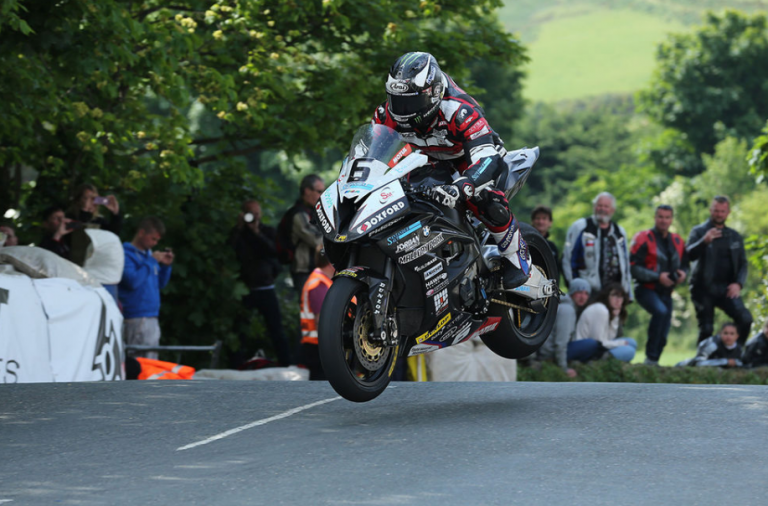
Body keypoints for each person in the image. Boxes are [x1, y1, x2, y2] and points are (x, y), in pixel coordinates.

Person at [372, 51, 541, 289]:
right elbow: (370, 155)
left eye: (411, 101)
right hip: (424, 158)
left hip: (469, 157)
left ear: (432, 93)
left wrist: (463, 185)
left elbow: (488, 157)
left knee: (484, 199)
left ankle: (517, 258)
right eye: (398, 100)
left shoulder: (458, 110)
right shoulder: (386, 114)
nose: (403, 109)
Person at [229, 200, 291, 367]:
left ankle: (286, 363)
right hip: (245, 289)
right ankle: (236, 363)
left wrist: (257, 233)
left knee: (276, 329)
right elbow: (231, 251)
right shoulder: (238, 233)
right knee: (240, 329)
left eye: (257, 213)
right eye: (251, 213)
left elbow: (273, 251)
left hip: (265, 287)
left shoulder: (268, 231)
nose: (254, 217)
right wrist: (240, 228)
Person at [687, 195, 752, 346]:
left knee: (745, 319)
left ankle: (735, 354)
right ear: (711, 210)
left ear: (728, 212)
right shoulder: (699, 231)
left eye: (722, 211)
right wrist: (704, 241)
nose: (719, 214)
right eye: (716, 211)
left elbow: (743, 263)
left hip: (727, 288)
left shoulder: (734, 236)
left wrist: (739, 284)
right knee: (706, 328)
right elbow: (688, 255)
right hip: (702, 288)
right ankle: (702, 363)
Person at [630, 204, 689, 366]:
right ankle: (650, 358)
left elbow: (685, 265)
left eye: (667, 217)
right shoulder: (643, 238)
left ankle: (654, 361)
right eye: (660, 217)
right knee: (661, 312)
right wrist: (657, 277)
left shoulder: (677, 240)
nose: (663, 221)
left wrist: (683, 273)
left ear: (671, 219)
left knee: (665, 328)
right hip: (645, 288)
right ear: (655, 218)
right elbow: (633, 267)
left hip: (666, 291)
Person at [118, 217, 173, 360]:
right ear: (142, 233)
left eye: (157, 241)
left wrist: (166, 267)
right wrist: (151, 261)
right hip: (135, 317)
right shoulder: (125, 254)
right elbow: (132, 281)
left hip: (152, 316)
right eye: (153, 239)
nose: (155, 243)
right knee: (136, 363)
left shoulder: (149, 256)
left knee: (150, 363)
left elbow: (160, 285)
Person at [563, 192, 633, 299]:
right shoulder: (580, 227)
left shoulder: (619, 232)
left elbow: (626, 264)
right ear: (594, 207)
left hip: (614, 293)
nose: (602, 209)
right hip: (586, 292)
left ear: (612, 210)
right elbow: (567, 258)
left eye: (606, 206)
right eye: (599, 205)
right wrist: (573, 287)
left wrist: (628, 292)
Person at [537, 278, 595, 377]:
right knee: (591, 344)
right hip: (549, 353)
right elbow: (560, 342)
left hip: (549, 351)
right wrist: (564, 369)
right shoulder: (567, 310)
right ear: (572, 293)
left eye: (586, 293)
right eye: (579, 292)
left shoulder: (567, 306)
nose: (583, 297)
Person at [574, 283, 637, 362]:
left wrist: (615, 318)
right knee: (630, 351)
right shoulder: (600, 309)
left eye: (621, 296)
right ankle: (599, 363)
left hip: (598, 347)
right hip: (586, 351)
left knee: (632, 342)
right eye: (614, 295)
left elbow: (609, 338)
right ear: (607, 296)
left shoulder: (608, 310)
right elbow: (598, 342)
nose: (618, 300)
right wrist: (619, 343)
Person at [287, 174, 325, 297]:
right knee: (311, 312)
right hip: (304, 272)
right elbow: (316, 240)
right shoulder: (298, 214)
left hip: (318, 270)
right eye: (319, 191)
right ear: (307, 191)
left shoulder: (313, 212)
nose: (322, 195)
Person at [300, 248, 335, 380]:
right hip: (318, 347)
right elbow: (321, 320)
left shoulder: (322, 281)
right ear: (331, 263)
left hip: (318, 345)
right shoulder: (319, 284)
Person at [677, 322, 743, 368]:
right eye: (725, 333)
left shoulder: (739, 349)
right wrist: (725, 362)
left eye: (732, 334)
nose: (728, 336)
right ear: (720, 334)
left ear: (737, 336)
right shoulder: (712, 345)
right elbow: (698, 362)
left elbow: (742, 363)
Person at [531, 205, 559, 279]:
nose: (541, 221)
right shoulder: (527, 243)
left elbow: (556, 273)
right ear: (532, 221)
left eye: (544, 218)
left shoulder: (552, 247)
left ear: (550, 223)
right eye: (538, 218)